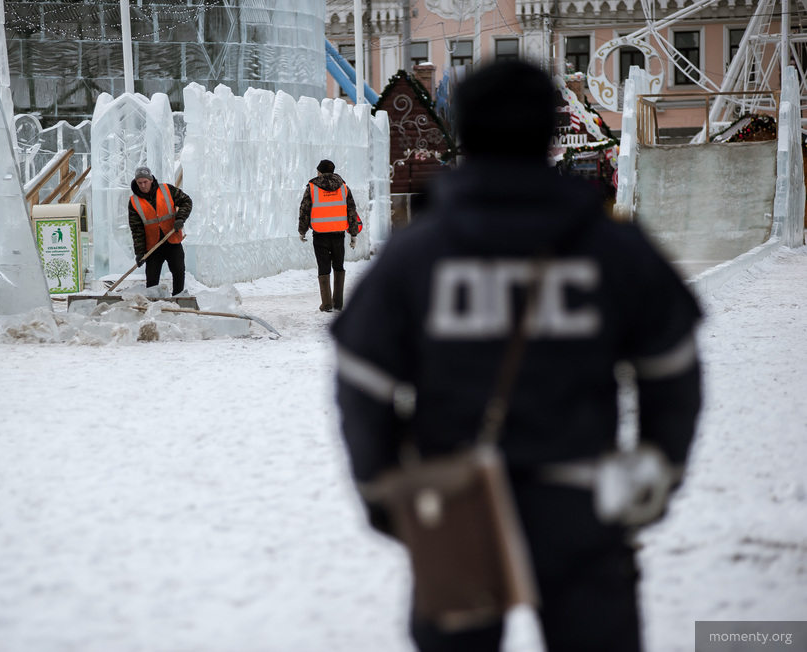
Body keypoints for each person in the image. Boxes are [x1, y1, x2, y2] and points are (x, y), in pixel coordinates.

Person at [330, 61, 702, 651]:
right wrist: (658, 467)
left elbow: (361, 376)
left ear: (462, 130)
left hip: (454, 504)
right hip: (584, 504)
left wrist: (381, 485)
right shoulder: (611, 246)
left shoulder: (418, 253)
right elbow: (673, 366)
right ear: (551, 132)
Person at [299, 159, 361, 311]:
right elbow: (351, 212)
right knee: (339, 266)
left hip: (320, 234)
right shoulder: (343, 187)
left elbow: (305, 210)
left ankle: (326, 303)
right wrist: (354, 235)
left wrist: (302, 231)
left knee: (323, 267)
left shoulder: (312, 187)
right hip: (339, 233)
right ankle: (338, 303)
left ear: (319, 172)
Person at [128, 166, 193, 296]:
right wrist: (140, 252)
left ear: (151, 180)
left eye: (145, 182)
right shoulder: (134, 202)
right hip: (153, 246)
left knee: (179, 272)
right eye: (139, 183)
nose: (142, 185)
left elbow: (187, 201)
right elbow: (137, 229)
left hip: (172, 240)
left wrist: (180, 218)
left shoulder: (167, 190)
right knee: (152, 280)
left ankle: (178, 299)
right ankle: (153, 305)